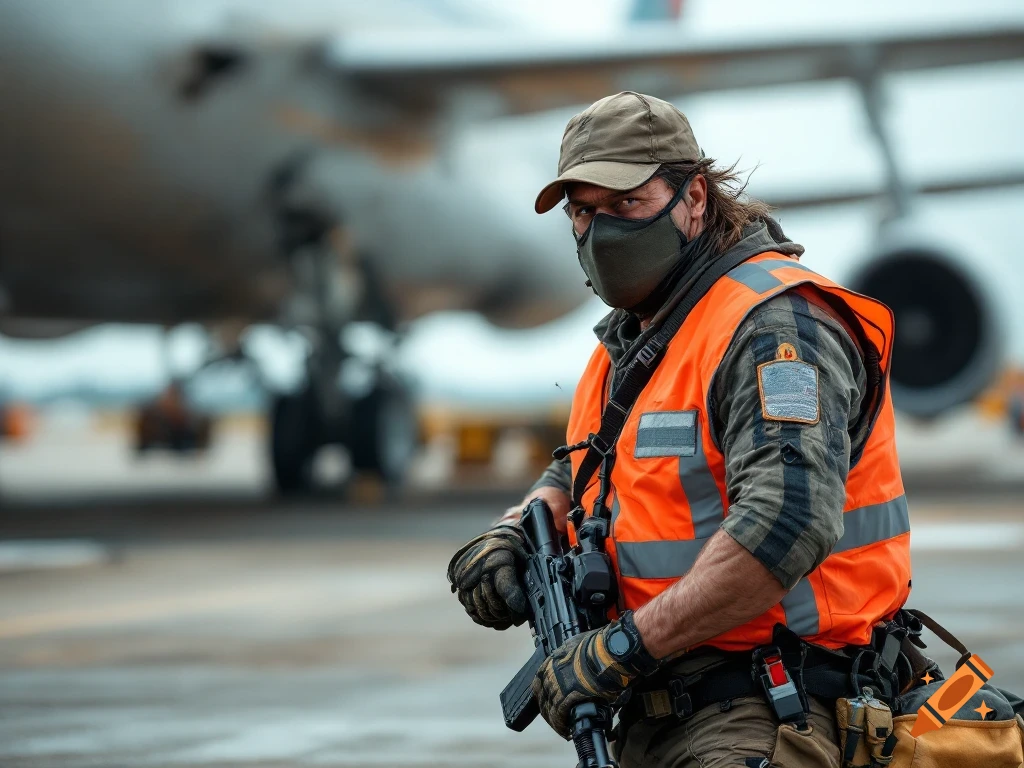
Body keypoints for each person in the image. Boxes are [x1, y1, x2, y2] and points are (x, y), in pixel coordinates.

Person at [448, 92, 913, 767]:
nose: (601, 232)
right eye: (584, 213)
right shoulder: (642, 340)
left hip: (774, 707)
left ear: (694, 197)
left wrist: (621, 648)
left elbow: (784, 526)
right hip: (660, 709)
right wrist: (520, 528)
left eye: (626, 205)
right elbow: (589, 473)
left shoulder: (773, 329)